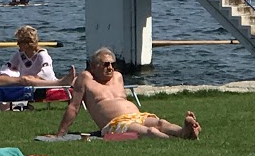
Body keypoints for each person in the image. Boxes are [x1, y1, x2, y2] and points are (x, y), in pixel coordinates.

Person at [54, 48, 200, 139]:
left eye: (112, 64)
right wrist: (60, 133)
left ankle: (183, 132)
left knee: (161, 123)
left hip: (137, 116)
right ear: (93, 66)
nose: (110, 67)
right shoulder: (85, 79)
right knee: (150, 132)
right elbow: (74, 107)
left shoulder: (118, 76)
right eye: (105, 64)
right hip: (114, 124)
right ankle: (178, 140)